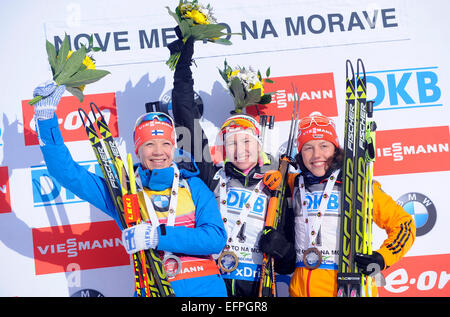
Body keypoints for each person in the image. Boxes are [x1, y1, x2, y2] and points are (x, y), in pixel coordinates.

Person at [31, 81, 228, 297]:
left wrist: (156, 237)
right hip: (151, 291)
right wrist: (45, 118)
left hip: (205, 292)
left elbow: (215, 238)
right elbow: (67, 173)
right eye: (149, 144)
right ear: (138, 149)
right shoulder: (123, 192)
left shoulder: (193, 185)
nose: (158, 152)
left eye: (165, 143)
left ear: (173, 147)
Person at [168, 34, 294, 297]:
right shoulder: (212, 177)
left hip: (257, 289)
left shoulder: (276, 189)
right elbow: (186, 123)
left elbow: (288, 263)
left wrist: (281, 247)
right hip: (210, 286)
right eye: (233, 143)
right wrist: (182, 68)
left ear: (259, 146)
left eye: (247, 142)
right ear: (224, 148)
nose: (240, 150)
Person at [260, 111, 416, 297]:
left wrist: (383, 257)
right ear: (300, 153)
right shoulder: (293, 183)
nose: (316, 155)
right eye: (308, 147)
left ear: (335, 149)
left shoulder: (357, 186)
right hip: (300, 291)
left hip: (348, 288)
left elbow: (404, 225)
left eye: (324, 145)